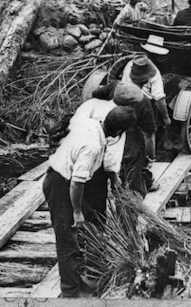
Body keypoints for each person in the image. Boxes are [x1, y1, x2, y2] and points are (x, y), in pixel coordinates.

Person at [43, 106, 136, 298]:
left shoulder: (93, 125)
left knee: (87, 226)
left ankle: (78, 281)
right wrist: (77, 212)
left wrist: (114, 178)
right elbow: (77, 182)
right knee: (67, 238)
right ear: (119, 132)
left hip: (66, 179)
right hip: (60, 183)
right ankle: (69, 291)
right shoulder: (93, 146)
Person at [92, 80, 158, 196]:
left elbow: (95, 93)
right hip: (130, 144)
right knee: (133, 182)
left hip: (106, 141)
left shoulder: (115, 86)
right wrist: (151, 157)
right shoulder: (143, 101)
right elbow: (149, 135)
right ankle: (130, 202)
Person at [121, 54, 181, 151]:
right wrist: (166, 117)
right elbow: (159, 99)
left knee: (132, 128)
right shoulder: (155, 74)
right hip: (145, 103)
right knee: (150, 131)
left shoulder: (130, 65)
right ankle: (152, 153)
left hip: (128, 99)